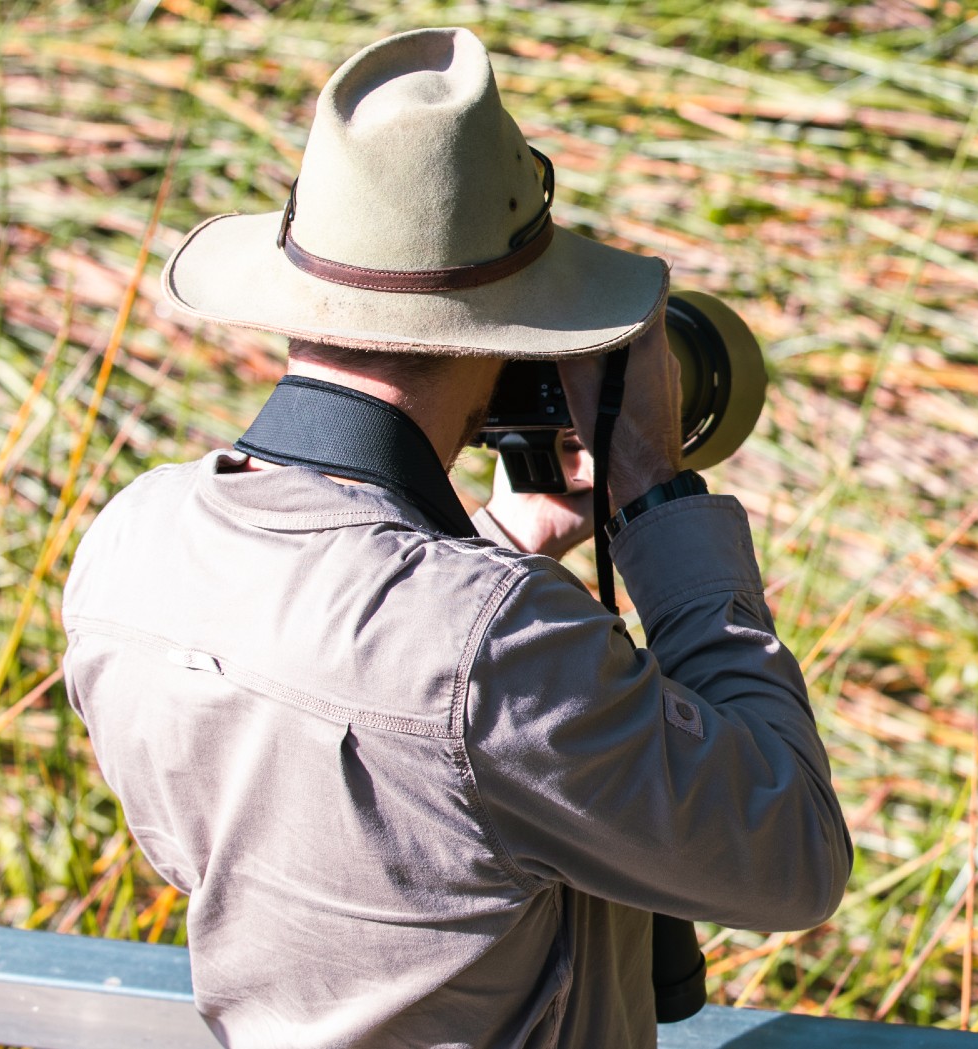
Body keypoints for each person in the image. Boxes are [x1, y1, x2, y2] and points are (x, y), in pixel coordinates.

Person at [60, 27, 850, 1049]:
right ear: (514, 321)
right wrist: (653, 491)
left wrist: (503, 538)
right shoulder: (490, 645)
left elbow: (362, 719)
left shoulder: (133, 544)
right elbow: (790, 855)